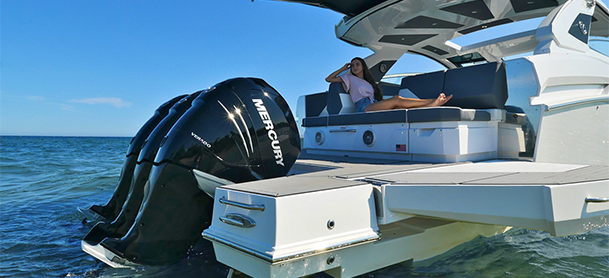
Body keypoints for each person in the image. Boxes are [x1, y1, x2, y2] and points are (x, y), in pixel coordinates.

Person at [325, 57, 452, 113]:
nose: (354, 66)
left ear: (363, 67)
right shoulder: (349, 78)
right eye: (352, 65)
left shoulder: (369, 82)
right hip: (363, 108)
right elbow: (329, 79)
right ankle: (431, 102)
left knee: (399, 109)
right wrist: (343, 68)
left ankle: (431, 105)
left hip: (373, 103)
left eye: (357, 64)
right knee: (397, 99)